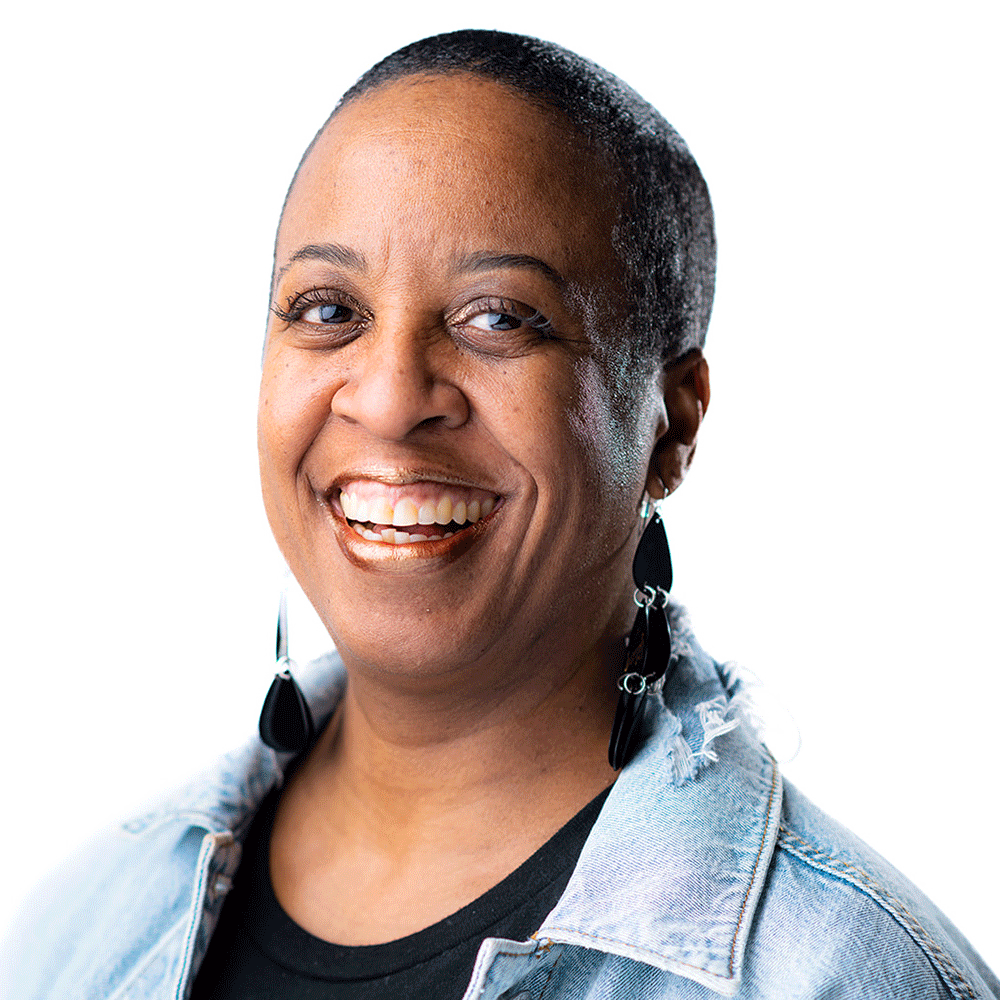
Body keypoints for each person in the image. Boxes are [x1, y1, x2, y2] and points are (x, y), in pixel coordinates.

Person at [3, 28, 997, 1000]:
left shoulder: (837, 973)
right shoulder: (85, 926)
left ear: (673, 421)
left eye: (499, 318)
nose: (389, 399)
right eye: (328, 310)